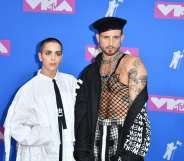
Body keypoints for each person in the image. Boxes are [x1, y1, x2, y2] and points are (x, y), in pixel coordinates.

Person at [74, 17, 151, 161]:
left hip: (122, 134)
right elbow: (83, 112)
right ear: (97, 38)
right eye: (106, 37)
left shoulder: (132, 64)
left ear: (122, 37)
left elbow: (139, 113)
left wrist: (131, 153)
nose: (110, 43)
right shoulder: (90, 71)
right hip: (95, 134)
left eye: (115, 37)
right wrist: (82, 148)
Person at [4, 38, 77, 161]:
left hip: (68, 153)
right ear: (40, 56)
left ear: (61, 56)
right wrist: (42, 135)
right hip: (40, 154)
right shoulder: (28, 89)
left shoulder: (71, 82)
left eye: (57, 53)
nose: (53, 58)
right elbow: (15, 126)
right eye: (48, 53)